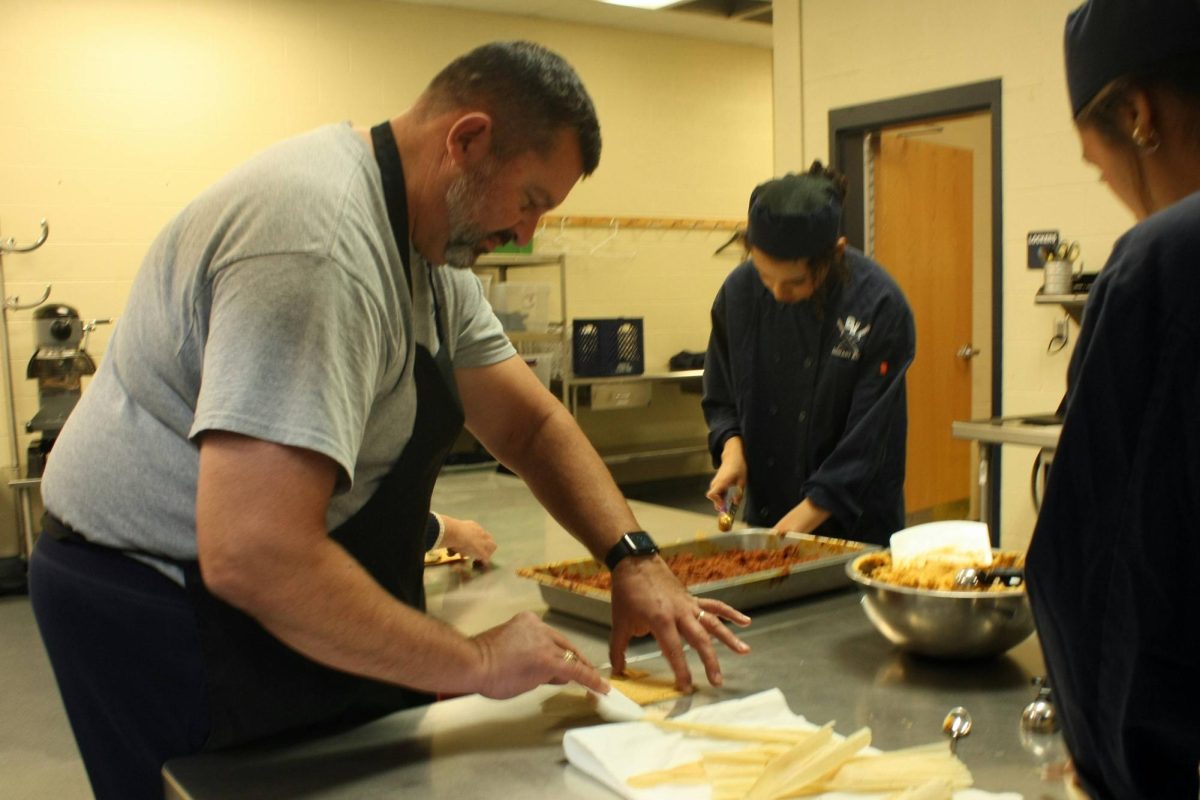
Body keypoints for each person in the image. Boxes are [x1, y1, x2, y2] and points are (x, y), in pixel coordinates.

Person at [28, 40, 750, 800]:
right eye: (530, 200)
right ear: (466, 141)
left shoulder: (430, 249)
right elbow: (254, 550)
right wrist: (473, 662)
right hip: (163, 597)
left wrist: (632, 558)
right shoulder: (321, 247)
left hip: (274, 572)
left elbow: (529, 427)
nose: (529, 232)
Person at [1026, 2, 1200, 797]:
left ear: (1138, 114)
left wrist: (1105, 761)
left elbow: (1104, 583)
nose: (1123, 203)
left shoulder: (1166, 265)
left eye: (1102, 171)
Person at [702, 163, 915, 545]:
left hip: (856, 528)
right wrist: (732, 451)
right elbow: (721, 396)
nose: (778, 293)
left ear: (835, 252)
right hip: (768, 516)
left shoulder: (879, 305)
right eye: (766, 277)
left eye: (796, 281)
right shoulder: (738, 293)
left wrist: (803, 517)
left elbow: (869, 437)